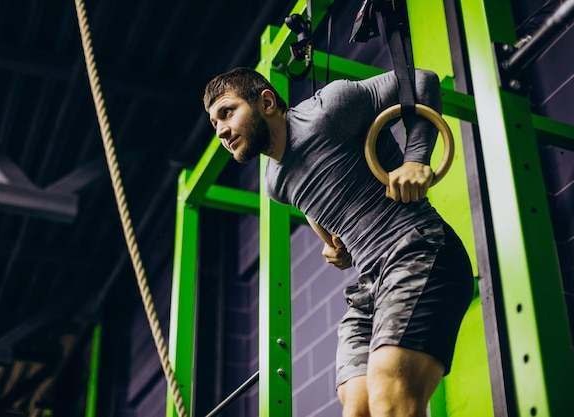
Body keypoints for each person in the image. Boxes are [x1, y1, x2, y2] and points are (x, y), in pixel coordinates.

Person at [203, 67, 474, 417]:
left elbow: (421, 81)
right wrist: (333, 243)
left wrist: (416, 159)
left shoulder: (328, 109)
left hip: (418, 250)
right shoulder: (274, 183)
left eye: (227, 112)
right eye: (214, 123)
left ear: (267, 102)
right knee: (357, 408)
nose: (222, 130)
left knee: (389, 397)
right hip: (370, 284)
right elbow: (313, 200)